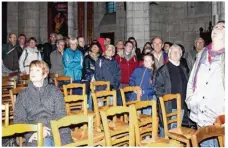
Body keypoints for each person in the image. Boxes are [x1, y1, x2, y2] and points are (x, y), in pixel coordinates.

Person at [14, 60, 73, 146]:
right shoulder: (23, 95)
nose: (33, 73)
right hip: (35, 134)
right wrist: (32, 133)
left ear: (44, 74)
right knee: (45, 143)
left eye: (37, 70)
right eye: (31, 70)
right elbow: (19, 120)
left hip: (58, 130)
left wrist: (48, 130)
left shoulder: (54, 91)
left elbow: (61, 114)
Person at [186, 21, 225, 147]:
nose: (217, 29)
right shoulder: (202, 54)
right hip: (201, 113)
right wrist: (191, 99)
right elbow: (192, 79)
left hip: (219, 115)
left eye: (222, 27)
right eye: (216, 27)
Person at [155, 44, 189, 137]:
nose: (175, 53)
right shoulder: (163, 70)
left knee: (177, 133)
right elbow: (158, 89)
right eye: (173, 51)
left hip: (181, 106)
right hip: (169, 106)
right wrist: (165, 102)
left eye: (177, 51)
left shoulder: (184, 69)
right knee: (166, 132)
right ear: (169, 54)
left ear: (181, 54)